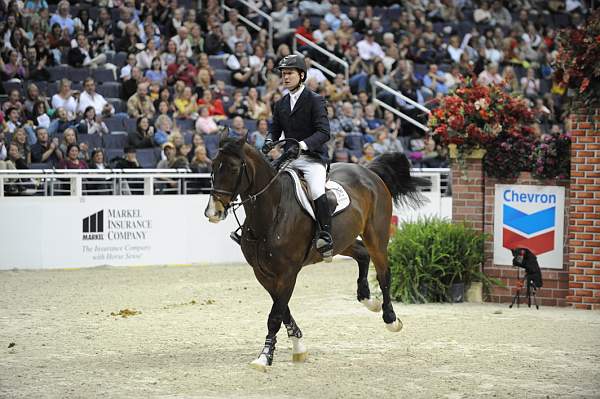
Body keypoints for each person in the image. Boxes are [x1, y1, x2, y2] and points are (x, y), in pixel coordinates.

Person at [262, 54, 333, 261]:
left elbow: (323, 133)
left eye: (289, 73)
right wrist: (269, 141)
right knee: (267, 186)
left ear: (301, 75)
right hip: (289, 158)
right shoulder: (281, 103)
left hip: (312, 158)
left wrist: (301, 145)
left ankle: (326, 235)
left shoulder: (315, 100)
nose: (285, 77)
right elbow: (274, 130)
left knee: (317, 189)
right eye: (283, 74)